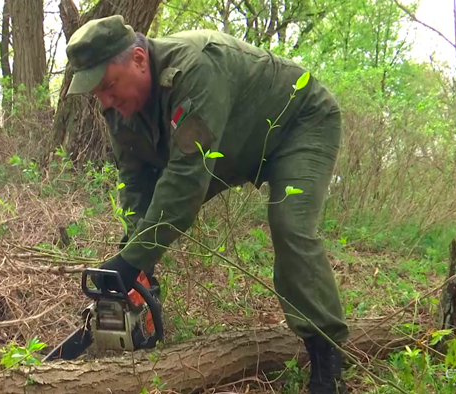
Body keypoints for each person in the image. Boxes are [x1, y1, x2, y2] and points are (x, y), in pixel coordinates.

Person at [65, 15, 350, 394]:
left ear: (138, 58)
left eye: (109, 86)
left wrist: (132, 260)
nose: (106, 100)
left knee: (290, 224)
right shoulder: (119, 109)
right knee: (138, 247)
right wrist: (135, 261)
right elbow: (135, 181)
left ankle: (325, 355)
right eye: (97, 92)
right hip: (233, 143)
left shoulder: (194, 69)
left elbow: (185, 181)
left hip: (297, 123)